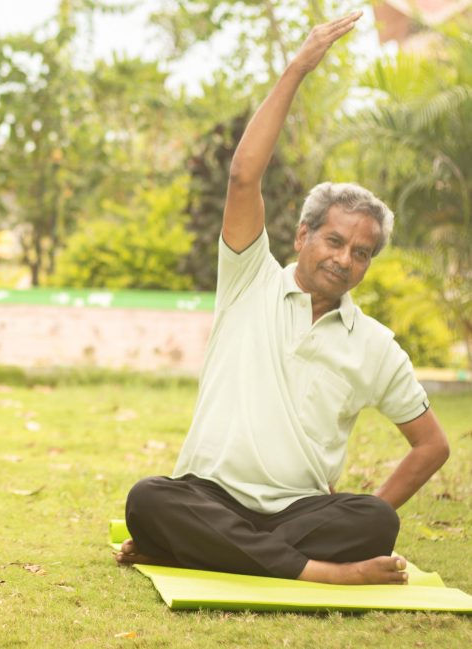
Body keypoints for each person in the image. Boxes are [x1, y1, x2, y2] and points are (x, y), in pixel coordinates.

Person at [117, 12, 449, 586]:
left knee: (372, 518)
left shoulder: (375, 345)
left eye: (362, 253)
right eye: (335, 241)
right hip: (209, 496)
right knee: (149, 498)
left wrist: (370, 507)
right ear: (302, 236)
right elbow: (245, 176)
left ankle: (200, 550)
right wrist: (299, 67)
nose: (346, 259)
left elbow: (431, 447)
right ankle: (322, 573)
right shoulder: (250, 278)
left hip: (299, 512)